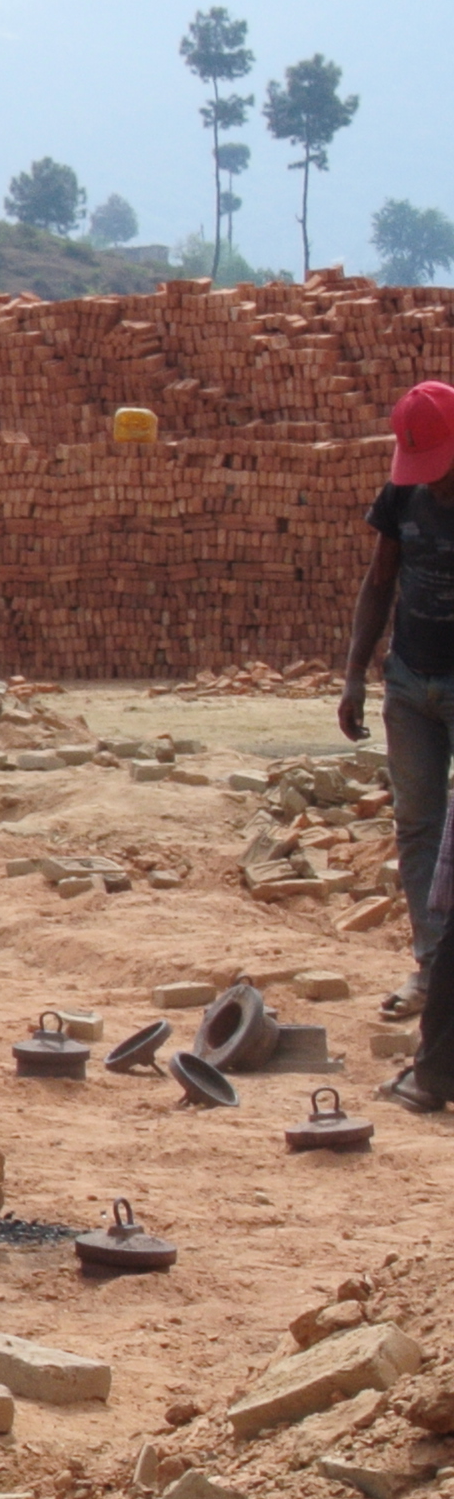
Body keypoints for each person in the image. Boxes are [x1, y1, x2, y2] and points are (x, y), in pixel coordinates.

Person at [344, 378, 454, 1031]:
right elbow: (379, 581)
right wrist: (355, 674)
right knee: (418, 826)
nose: (433, 484)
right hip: (411, 684)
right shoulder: (402, 495)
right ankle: (430, 967)